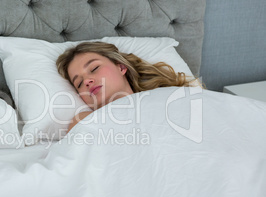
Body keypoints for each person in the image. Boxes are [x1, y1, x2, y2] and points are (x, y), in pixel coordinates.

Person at [56, 41, 198, 131]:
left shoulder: (169, 97)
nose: (87, 81)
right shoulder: (83, 120)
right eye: (79, 83)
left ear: (121, 68)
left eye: (94, 68)